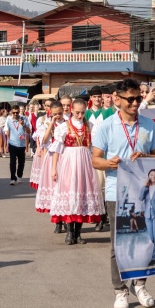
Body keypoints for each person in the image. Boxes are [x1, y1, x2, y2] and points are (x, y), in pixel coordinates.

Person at [92, 78, 155, 308]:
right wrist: (110, 164)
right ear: (117, 98)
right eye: (130, 99)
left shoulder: (149, 126)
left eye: (138, 98)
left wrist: (145, 158)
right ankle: (120, 290)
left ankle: (140, 284)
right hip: (117, 192)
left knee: (144, 240)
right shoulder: (105, 126)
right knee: (118, 243)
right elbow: (95, 160)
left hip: (144, 193)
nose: (135, 103)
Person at [50, 98, 105, 245]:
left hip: (85, 162)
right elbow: (57, 149)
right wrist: (54, 168)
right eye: (77, 113)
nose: (80, 116)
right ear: (72, 111)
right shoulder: (64, 126)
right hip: (69, 161)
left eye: (83, 113)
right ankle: (69, 232)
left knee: (82, 194)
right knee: (70, 195)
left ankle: (78, 233)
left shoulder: (90, 125)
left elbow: (94, 147)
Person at [34, 100, 64, 216]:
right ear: (51, 113)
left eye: (59, 113)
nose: (57, 116)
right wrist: (51, 124)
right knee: (53, 186)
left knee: (63, 186)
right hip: (51, 157)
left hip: (64, 156)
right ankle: (57, 220)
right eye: (55, 114)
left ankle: (63, 215)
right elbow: (44, 140)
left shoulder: (67, 123)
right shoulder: (47, 123)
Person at [6, 105, 30, 185]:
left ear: (19, 112)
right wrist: (8, 143)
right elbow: (8, 132)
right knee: (12, 162)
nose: (15, 114)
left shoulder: (24, 119)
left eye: (17, 112)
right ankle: (13, 178)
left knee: (21, 162)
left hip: (21, 144)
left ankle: (19, 176)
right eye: (14, 113)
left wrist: (23, 125)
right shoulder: (9, 121)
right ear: (11, 112)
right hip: (12, 144)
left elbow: (29, 131)